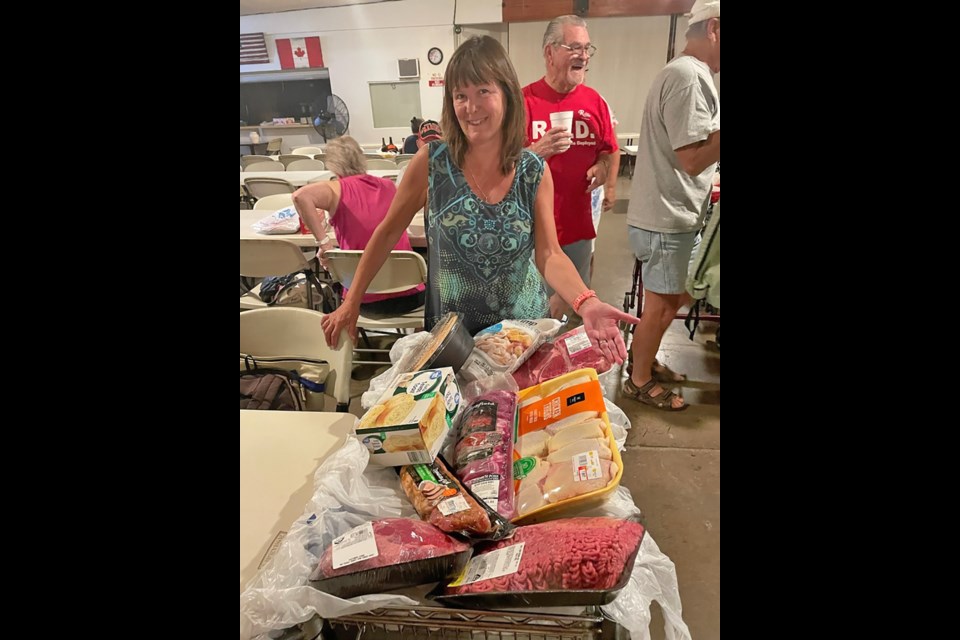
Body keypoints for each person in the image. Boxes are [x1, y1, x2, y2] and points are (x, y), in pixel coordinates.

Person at [319, 35, 636, 364]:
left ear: (507, 95)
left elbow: (549, 254)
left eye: (483, 92)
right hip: (453, 337)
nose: (471, 108)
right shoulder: (432, 163)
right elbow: (386, 233)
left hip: (520, 335)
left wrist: (586, 301)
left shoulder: (533, 171)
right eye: (460, 96)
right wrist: (351, 300)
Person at [621, 0, 720, 411]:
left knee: (671, 298)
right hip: (666, 217)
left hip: (668, 215)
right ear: (714, 28)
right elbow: (692, 157)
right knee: (660, 307)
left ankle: (644, 359)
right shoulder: (688, 77)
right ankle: (639, 380)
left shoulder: (685, 74)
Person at [522, 15, 619, 320]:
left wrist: (604, 171)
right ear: (550, 53)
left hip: (577, 228)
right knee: (533, 317)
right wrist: (536, 151)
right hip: (531, 231)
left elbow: (608, 149)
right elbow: (501, 165)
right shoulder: (523, 101)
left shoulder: (595, 102)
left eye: (587, 48)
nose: (584, 55)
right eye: (574, 47)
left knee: (577, 313)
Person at [292, 136, 425, 316]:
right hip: (412, 298)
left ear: (331, 164)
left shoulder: (335, 189)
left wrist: (324, 243)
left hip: (361, 300)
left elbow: (299, 196)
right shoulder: (389, 186)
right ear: (362, 158)